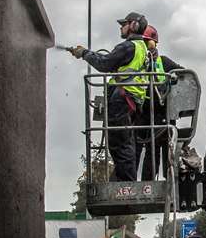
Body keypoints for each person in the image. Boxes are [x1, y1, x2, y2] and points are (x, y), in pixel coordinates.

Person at [70, 12, 153, 181]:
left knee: (119, 144)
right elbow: (110, 61)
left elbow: (104, 64)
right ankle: (125, 181)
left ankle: (126, 185)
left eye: (124, 24)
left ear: (133, 25)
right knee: (125, 143)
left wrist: (85, 54)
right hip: (134, 100)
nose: (121, 27)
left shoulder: (127, 47)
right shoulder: (142, 47)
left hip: (122, 99)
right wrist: (87, 52)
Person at [137, 26, 183, 180]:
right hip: (141, 114)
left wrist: (174, 77)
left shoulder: (163, 62)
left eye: (145, 42)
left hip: (163, 114)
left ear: (152, 43)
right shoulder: (136, 62)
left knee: (163, 152)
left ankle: (167, 183)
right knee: (142, 150)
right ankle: (141, 184)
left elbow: (184, 75)